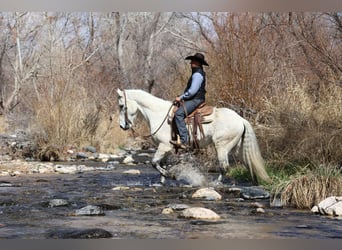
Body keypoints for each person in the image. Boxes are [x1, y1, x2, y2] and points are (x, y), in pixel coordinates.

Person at [170, 52, 209, 149]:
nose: (190, 63)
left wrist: (181, 97)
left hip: (196, 99)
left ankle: (184, 140)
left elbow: (192, 91)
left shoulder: (197, 74)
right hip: (196, 98)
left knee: (178, 114)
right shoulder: (198, 73)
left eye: (193, 61)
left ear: (198, 63)